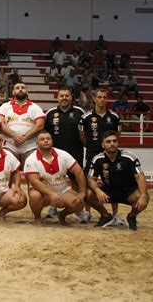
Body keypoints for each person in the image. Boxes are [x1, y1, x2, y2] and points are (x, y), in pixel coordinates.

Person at [85, 131, 150, 230]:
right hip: (108, 192)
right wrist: (98, 191)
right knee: (88, 194)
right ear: (103, 145)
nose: (112, 144)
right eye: (108, 141)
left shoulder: (129, 157)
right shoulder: (97, 159)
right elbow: (91, 179)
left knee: (144, 197)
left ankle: (131, 217)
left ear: (117, 143)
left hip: (128, 192)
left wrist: (143, 195)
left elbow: (140, 177)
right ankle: (106, 216)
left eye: (114, 141)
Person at [24, 131, 86, 226]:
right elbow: (34, 182)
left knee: (79, 203)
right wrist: (51, 194)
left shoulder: (63, 154)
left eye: (48, 139)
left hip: (62, 191)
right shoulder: (31, 159)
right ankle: (37, 218)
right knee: (34, 196)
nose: (46, 141)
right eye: (42, 139)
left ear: (52, 141)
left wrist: (82, 191)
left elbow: (78, 171)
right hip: (43, 194)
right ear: (36, 143)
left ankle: (62, 215)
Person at [79, 88, 121, 223]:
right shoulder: (85, 118)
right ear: (94, 99)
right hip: (92, 154)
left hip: (110, 155)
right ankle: (87, 212)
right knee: (88, 183)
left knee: (114, 182)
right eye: (99, 97)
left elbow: (117, 136)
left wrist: (110, 146)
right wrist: (91, 146)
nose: (102, 99)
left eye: (104, 97)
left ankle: (115, 214)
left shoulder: (114, 117)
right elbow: (82, 136)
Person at [44, 88, 85, 220]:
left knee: (76, 182)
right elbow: (45, 134)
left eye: (67, 96)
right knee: (54, 182)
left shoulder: (79, 112)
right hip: (55, 156)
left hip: (75, 153)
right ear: (57, 98)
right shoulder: (50, 113)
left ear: (71, 97)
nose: (64, 98)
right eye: (61, 96)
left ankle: (79, 209)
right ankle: (53, 208)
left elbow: (84, 133)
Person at [0, 82, 45, 165]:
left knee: (30, 171)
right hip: (9, 145)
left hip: (30, 146)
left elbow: (40, 125)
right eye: (17, 88)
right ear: (13, 92)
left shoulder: (35, 107)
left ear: (27, 91)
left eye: (23, 88)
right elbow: (0, 124)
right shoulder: (5, 106)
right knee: (8, 171)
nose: (20, 89)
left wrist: (24, 138)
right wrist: (14, 135)